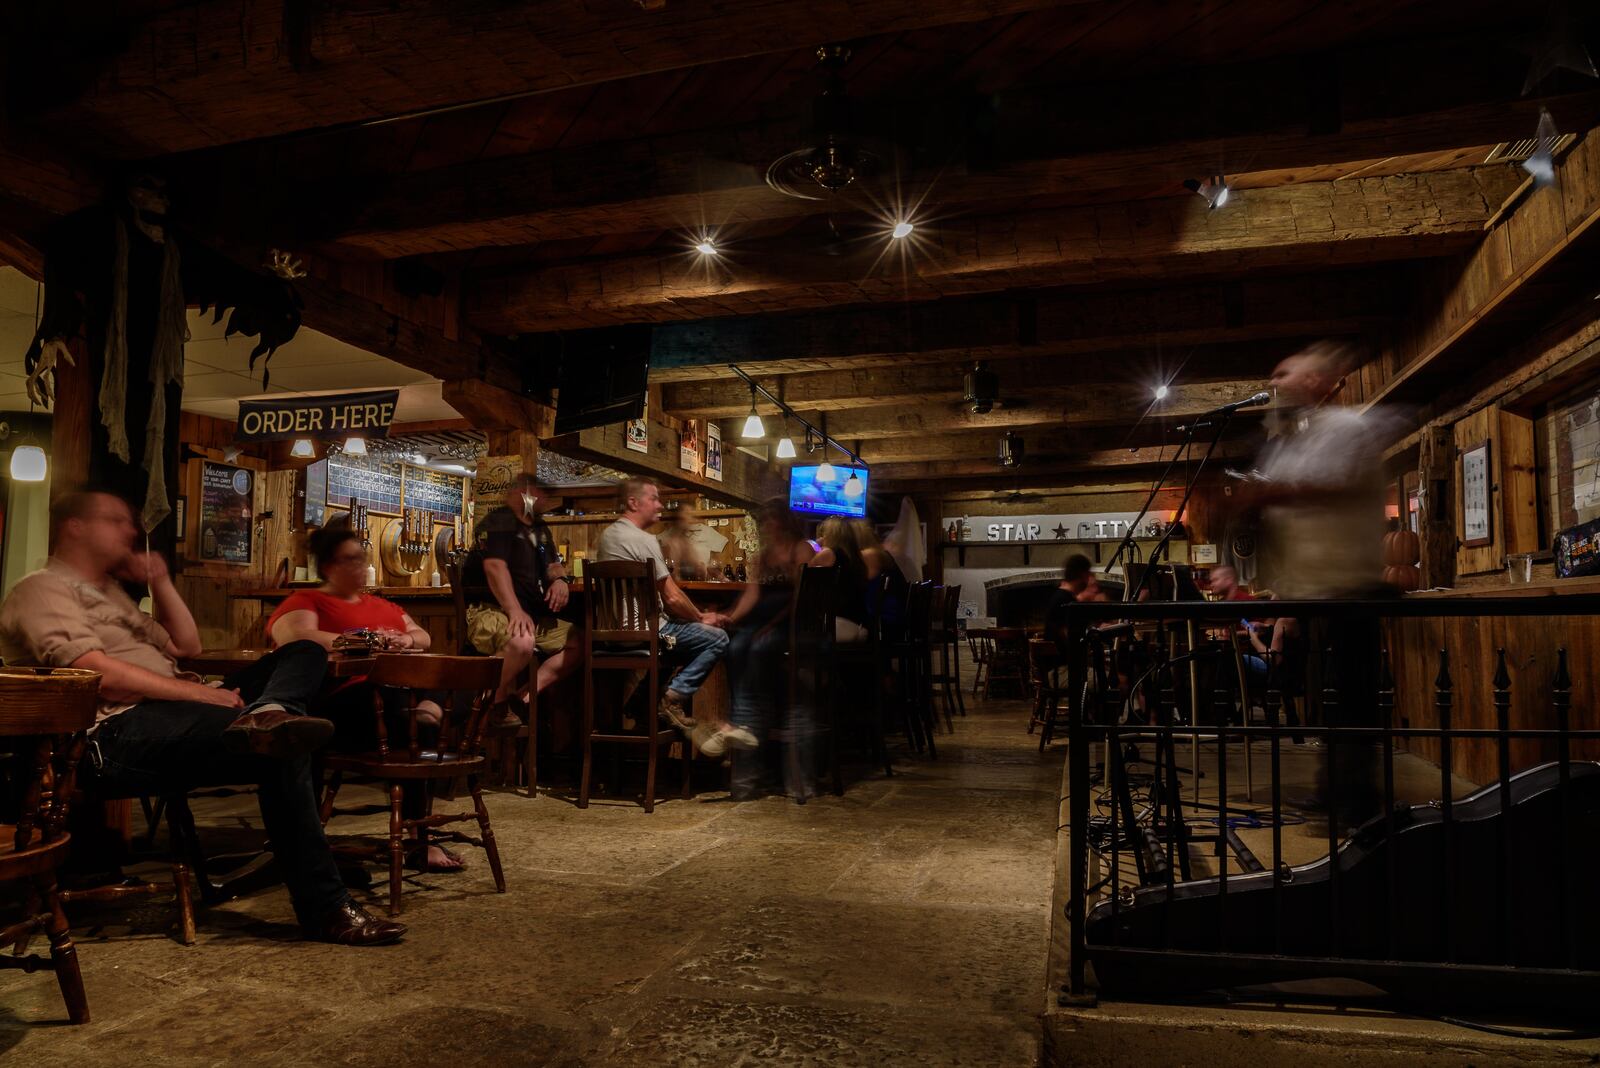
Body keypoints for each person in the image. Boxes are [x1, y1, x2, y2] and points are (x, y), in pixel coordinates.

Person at [0, 488, 405, 945]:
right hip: (111, 734)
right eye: (116, 520)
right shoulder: (40, 589)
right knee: (284, 742)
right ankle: (326, 908)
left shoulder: (111, 594)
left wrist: (162, 584)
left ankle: (271, 712)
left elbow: (186, 647)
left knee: (305, 649)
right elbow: (92, 672)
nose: (131, 530)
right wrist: (202, 696)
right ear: (75, 527)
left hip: (175, 710)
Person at [267, 523, 460, 872]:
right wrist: (363, 641)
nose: (360, 566)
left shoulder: (383, 605)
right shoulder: (308, 600)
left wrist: (405, 641)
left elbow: (422, 636)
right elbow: (295, 636)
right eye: (350, 560)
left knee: (430, 699)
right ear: (328, 566)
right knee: (400, 702)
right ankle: (424, 713)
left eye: (361, 558)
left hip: (392, 708)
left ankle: (420, 839)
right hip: (343, 708)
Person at [596, 478, 729, 732]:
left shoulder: (608, 535)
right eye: (654, 498)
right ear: (633, 503)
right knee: (716, 638)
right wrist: (701, 618)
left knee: (680, 644)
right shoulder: (642, 539)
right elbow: (672, 597)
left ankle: (641, 704)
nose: (660, 505)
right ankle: (670, 700)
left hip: (612, 635)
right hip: (648, 633)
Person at [462, 473, 582, 720]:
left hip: (530, 614)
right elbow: (495, 567)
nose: (542, 499)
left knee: (580, 643)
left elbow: (553, 563)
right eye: (538, 493)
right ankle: (489, 703)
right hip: (491, 609)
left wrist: (560, 579)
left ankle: (522, 697)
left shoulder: (539, 528)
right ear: (522, 493)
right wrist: (514, 609)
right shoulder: (501, 521)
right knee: (521, 642)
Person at [714, 500, 813, 761]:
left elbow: (801, 598)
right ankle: (741, 720)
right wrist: (730, 617)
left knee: (759, 647)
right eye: (764, 520)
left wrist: (771, 626)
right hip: (762, 622)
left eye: (771, 519)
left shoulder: (801, 549)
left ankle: (755, 719)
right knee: (734, 647)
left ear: (784, 521)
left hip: (790, 622)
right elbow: (752, 595)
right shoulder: (763, 555)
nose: (766, 525)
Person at [1043, 554, 1109, 644]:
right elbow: (1071, 635)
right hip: (1064, 657)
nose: (1088, 579)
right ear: (1083, 575)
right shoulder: (1065, 600)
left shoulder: (1061, 596)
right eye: (1088, 574)